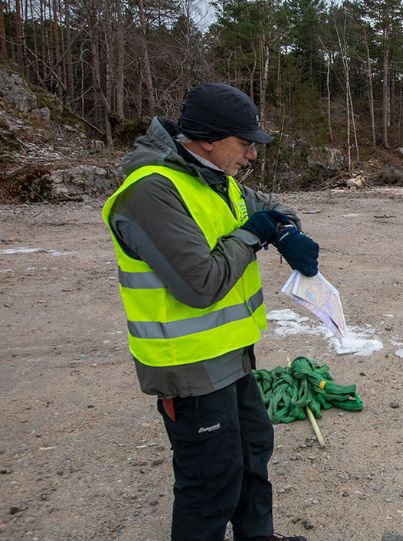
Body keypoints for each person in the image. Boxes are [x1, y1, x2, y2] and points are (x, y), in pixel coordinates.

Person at [102, 82, 318, 541]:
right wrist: (251, 236)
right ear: (206, 140)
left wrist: (286, 234)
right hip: (188, 367)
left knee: (253, 453)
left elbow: (273, 209)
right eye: (245, 144)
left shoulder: (216, 180)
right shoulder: (151, 192)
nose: (252, 156)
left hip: (233, 355)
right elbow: (199, 284)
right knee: (210, 481)